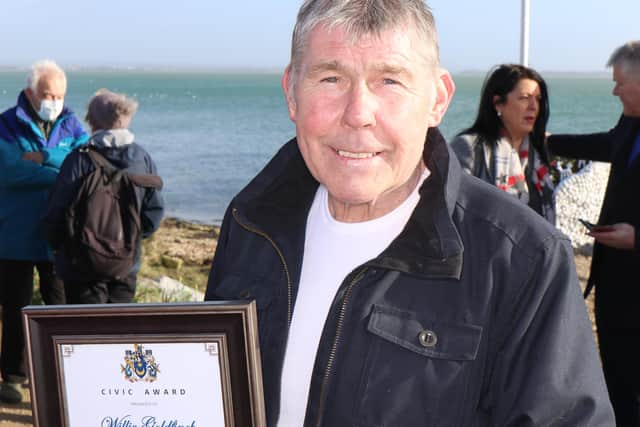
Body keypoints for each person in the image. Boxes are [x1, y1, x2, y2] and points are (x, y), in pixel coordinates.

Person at [205, 1, 614, 425]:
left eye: (389, 82)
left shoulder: (523, 260)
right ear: (291, 92)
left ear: (438, 99)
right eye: (330, 78)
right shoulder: (251, 222)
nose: (358, 114)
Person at [546, 40, 640, 426]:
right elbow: (607, 145)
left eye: (619, 83)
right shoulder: (630, 122)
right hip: (615, 282)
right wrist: (548, 143)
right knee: (617, 377)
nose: (613, 90)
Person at [0, 60, 88, 403]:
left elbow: (82, 164)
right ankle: (14, 378)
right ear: (30, 93)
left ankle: (63, 376)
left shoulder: (72, 123)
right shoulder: (6, 125)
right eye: (48, 94)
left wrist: (41, 157)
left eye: (60, 94)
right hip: (14, 235)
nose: (55, 100)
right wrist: (59, 164)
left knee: (60, 307)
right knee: (15, 307)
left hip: (57, 236)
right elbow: (10, 172)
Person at [42, 89, 164, 304]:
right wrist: (130, 239)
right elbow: (153, 213)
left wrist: (60, 248)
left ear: (93, 121)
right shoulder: (142, 158)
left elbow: (56, 213)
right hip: (125, 265)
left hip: (81, 267)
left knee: (84, 332)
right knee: (119, 331)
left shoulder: (79, 159)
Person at [450, 64, 556, 224]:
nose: (534, 106)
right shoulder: (470, 148)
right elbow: (451, 213)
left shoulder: (537, 153)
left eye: (538, 99)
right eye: (525, 98)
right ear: (498, 103)